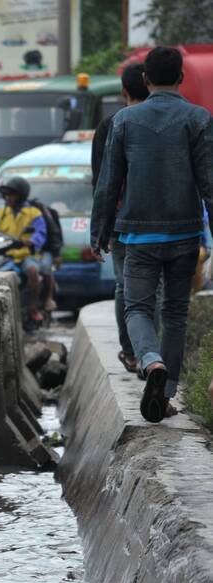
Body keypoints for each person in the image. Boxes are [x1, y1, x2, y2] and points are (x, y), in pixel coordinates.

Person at [93, 46, 213, 422]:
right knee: (175, 312)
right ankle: (168, 390)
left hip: (137, 238)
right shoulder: (199, 118)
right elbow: (210, 184)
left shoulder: (124, 122)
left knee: (137, 307)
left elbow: (108, 183)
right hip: (184, 235)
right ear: (180, 78)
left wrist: (100, 232)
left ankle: (150, 360)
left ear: (145, 80)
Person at [92, 63, 150, 374]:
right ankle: (154, 356)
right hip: (165, 222)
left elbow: (101, 183)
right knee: (162, 293)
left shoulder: (110, 125)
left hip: (120, 223)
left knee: (124, 287)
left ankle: (132, 353)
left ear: (123, 92)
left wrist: (99, 231)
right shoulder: (175, 120)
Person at [0, 175, 49, 325]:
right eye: (5, 195)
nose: (7, 198)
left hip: (26, 255)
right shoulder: (0, 213)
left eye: (10, 195)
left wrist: (32, 242)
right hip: (5, 255)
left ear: (20, 195)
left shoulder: (34, 213)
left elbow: (41, 233)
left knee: (33, 271)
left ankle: (32, 307)